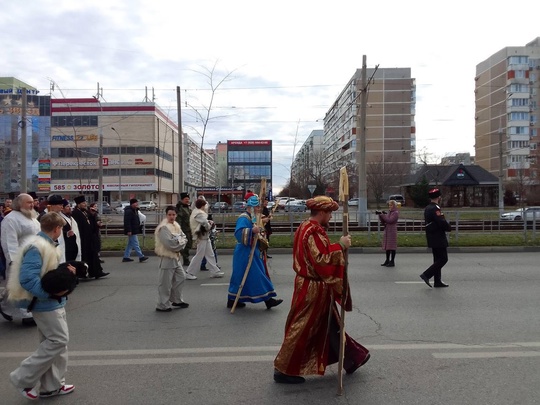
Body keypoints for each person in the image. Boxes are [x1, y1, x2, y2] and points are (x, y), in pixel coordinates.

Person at [273, 195, 370, 384]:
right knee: (302, 328)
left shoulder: (305, 226)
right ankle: (283, 369)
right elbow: (321, 260)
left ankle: (352, 358)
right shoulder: (314, 232)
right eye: (330, 213)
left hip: (312, 285)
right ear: (323, 212)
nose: (331, 217)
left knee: (330, 324)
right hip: (313, 287)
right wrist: (340, 246)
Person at [7, 212, 76, 400]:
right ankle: (23, 378)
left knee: (55, 344)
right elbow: (28, 279)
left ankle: (51, 386)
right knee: (58, 341)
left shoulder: (42, 244)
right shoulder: (38, 247)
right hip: (46, 304)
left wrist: (64, 271)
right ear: (57, 229)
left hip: (49, 302)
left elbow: (45, 272)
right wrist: (50, 295)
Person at [227, 195, 282, 309]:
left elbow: (259, 230)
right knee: (247, 276)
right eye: (257, 206)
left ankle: (234, 300)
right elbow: (238, 234)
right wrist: (251, 231)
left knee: (250, 276)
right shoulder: (244, 218)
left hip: (253, 251)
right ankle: (267, 300)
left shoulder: (254, 217)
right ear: (251, 207)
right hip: (244, 253)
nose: (258, 208)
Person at [0, 193, 40, 325]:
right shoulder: (10, 219)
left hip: (34, 257)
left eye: (32, 202)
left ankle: (5, 306)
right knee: (20, 285)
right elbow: (9, 241)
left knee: (17, 286)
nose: (32, 204)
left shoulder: (32, 218)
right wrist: (14, 260)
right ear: (19, 204)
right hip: (20, 258)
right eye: (28, 202)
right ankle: (26, 314)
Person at [154, 205, 189, 312]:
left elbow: (184, 238)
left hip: (175, 257)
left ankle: (176, 299)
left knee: (181, 277)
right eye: (169, 214)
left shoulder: (176, 225)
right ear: (166, 215)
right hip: (167, 258)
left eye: (173, 214)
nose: (171, 217)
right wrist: (180, 244)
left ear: (176, 215)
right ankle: (162, 304)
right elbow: (170, 244)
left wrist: (180, 243)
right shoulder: (164, 228)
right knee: (165, 283)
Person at [185, 199, 224, 280]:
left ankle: (214, 271)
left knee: (210, 254)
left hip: (204, 236)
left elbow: (204, 222)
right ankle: (189, 272)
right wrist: (210, 225)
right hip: (202, 236)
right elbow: (205, 223)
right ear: (202, 205)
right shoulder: (199, 213)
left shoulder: (196, 212)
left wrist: (208, 223)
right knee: (199, 255)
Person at [420, 188, 452, 288]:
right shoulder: (435, 208)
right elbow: (441, 221)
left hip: (432, 236)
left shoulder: (428, 207)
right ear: (439, 197)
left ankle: (437, 281)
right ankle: (427, 274)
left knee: (437, 259)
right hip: (438, 237)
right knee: (443, 259)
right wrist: (448, 227)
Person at [71, 195, 109, 279]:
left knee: (93, 256)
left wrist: (96, 221)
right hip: (83, 239)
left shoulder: (85, 212)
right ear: (78, 204)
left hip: (90, 239)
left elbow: (90, 222)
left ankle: (96, 272)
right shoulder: (76, 213)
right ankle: (87, 273)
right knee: (87, 257)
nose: (85, 204)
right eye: (83, 203)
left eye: (85, 203)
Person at [122, 198, 149, 263]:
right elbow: (127, 221)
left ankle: (126, 257)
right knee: (136, 243)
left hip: (133, 229)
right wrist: (129, 230)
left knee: (130, 244)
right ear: (132, 203)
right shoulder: (129, 211)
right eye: (135, 203)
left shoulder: (134, 210)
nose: (137, 204)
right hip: (131, 230)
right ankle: (141, 256)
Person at [377, 199, 399, 267]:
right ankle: (387, 260)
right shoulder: (389, 212)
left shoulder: (395, 213)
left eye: (391, 205)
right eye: (389, 205)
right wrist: (381, 215)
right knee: (387, 246)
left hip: (392, 230)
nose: (390, 206)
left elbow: (390, 220)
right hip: (387, 230)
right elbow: (385, 221)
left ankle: (392, 261)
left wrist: (383, 215)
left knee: (392, 246)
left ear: (394, 205)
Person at [175, 193, 192, 266]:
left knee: (189, 244)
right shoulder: (180, 208)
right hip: (184, 230)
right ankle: (185, 259)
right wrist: (179, 230)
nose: (187, 200)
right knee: (185, 245)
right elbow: (179, 220)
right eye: (186, 199)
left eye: (188, 199)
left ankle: (185, 258)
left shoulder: (186, 207)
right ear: (182, 200)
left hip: (188, 229)